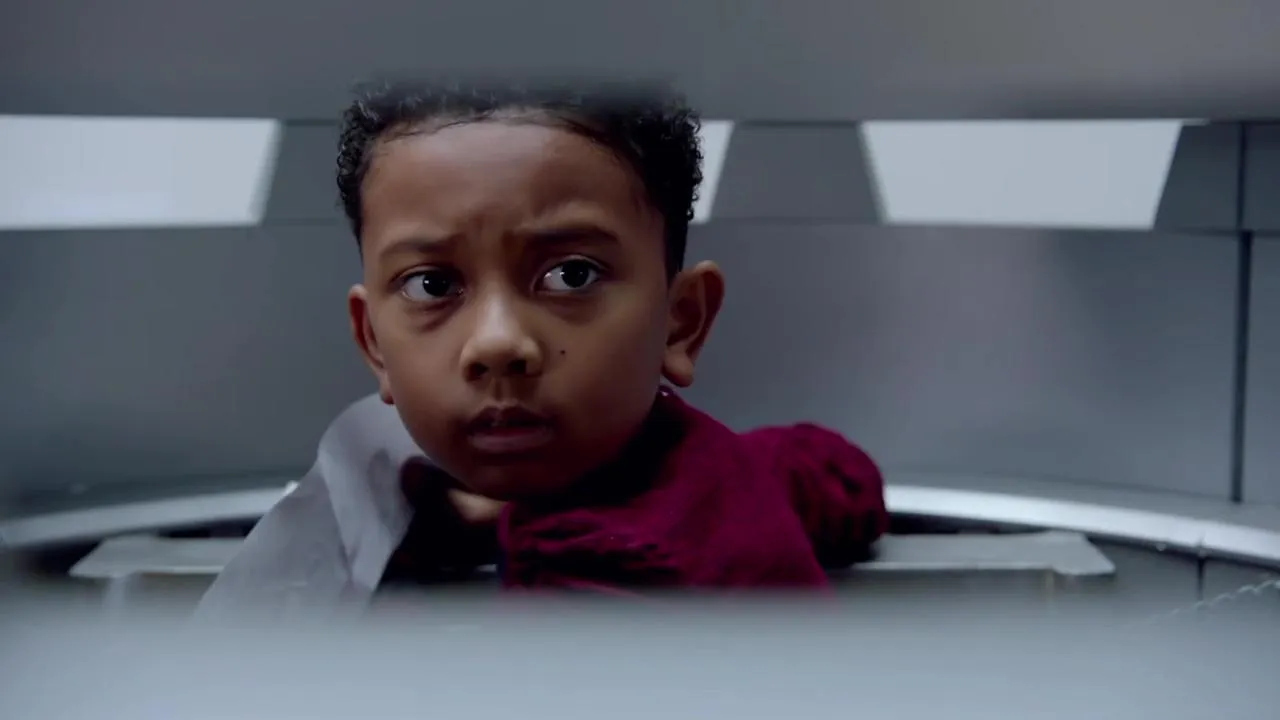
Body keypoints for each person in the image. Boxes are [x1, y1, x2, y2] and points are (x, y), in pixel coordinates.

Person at [198, 81, 887, 614]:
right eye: (433, 284)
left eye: (571, 276)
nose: (499, 343)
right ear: (374, 342)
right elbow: (834, 472)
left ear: (680, 323)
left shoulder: (599, 586)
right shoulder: (724, 468)